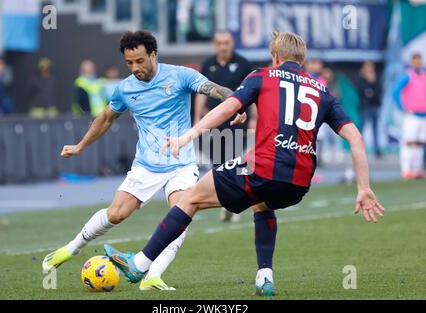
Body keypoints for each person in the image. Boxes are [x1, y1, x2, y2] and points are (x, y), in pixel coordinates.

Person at [103, 31, 385, 297]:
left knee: (189, 199)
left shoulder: (262, 76)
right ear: (302, 60)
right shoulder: (322, 91)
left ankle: (139, 264)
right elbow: (356, 138)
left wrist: (187, 135)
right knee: (262, 202)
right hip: (298, 183)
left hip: (262, 168)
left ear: (275, 56)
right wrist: (363, 187)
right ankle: (265, 276)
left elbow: (227, 107)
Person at [42, 30, 235, 291]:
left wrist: (230, 99)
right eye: (130, 63)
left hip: (181, 164)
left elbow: (214, 89)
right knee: (116, 214)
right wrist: (79, 146)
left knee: (181, 214)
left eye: (140, 61)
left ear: (153, 54)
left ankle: (152, 276)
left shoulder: (179, 75)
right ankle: (70, 249)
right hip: (146, 165)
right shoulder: (125, 89)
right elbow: (106, 119)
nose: (135, 68)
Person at [194, 30, 255, 223]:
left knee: (235, 162)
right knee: (217, 164)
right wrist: (197, 118)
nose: (223, 46)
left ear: (232, 43)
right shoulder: (208, 64)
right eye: (219, 42)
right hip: (213, 119)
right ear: (214, 44)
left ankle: (234, 205)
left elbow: (253, 92)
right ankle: (226, 202)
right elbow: (201, 92)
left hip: (237, 120)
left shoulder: (243, 63)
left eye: (226, 42)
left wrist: (254, 118)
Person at [393, 53, 426, 180]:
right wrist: (403, 107)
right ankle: (406, 169)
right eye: (415, 61)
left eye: (419, 60)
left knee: (420, 142)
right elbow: (396, 92)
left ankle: (417, 169)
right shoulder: (408, 76)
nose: (418, 63)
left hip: (423, 114)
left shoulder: (424, 75)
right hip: (412, 115)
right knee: (408, 142)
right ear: (412, 62)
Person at [356, 61, 382, 158]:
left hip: (374, 106)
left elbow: (378, 92)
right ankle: (358, 147)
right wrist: (367, 81)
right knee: (361, 129)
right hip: (364, 107)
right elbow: (361, 90)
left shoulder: (376, 78)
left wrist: (372, 82)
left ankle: (377, 150)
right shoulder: (361, 78)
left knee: (375, 129)